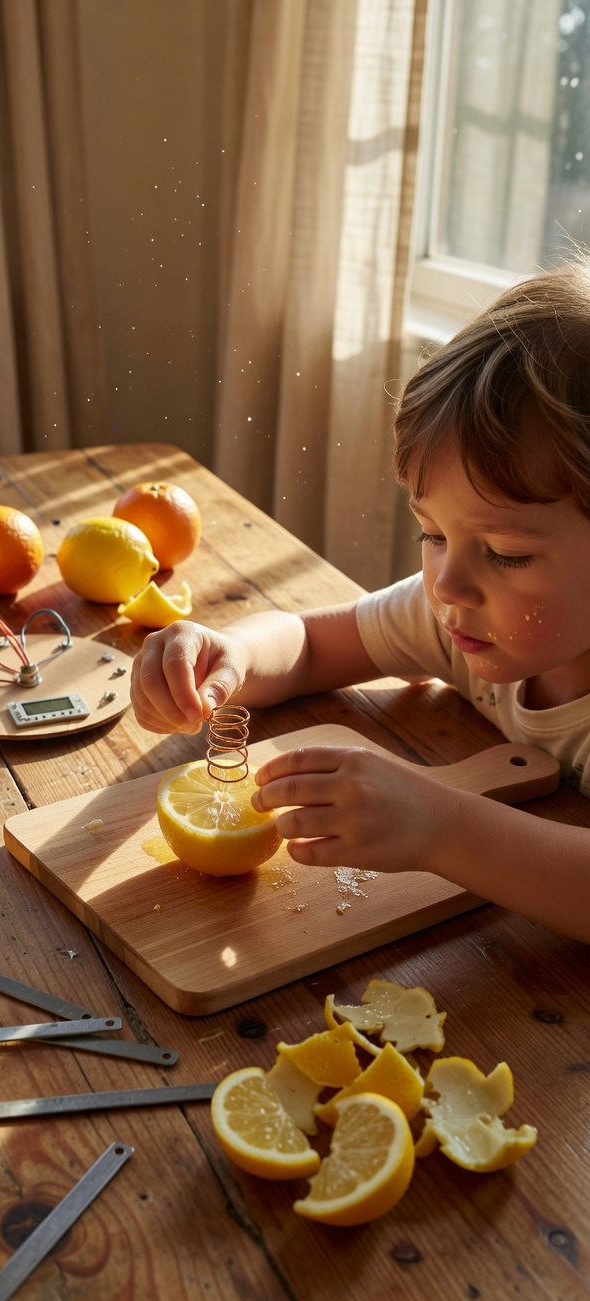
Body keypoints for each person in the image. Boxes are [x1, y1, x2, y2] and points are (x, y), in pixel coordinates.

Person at [131, 260, 590, 942]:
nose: (445, 584)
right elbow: (314, 642)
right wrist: (231, 654)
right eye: (432, 534)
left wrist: (444, 828)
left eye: (506, 554)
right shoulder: (463, 618)